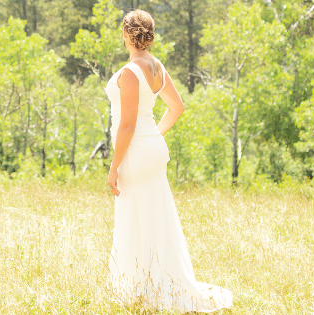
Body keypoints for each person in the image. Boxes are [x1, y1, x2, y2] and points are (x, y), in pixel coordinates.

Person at [105, 9, 233, 313]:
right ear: (148, 35)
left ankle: (139, 287)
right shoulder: (156, 66)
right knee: (156, 218)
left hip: (136, 155)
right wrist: (153, 136)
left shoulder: (130, 72)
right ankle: (157, 284)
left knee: (134, 218)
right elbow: (177, 107)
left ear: (126, 34)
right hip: (152, 150)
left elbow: (127, 125)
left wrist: (113, 167)